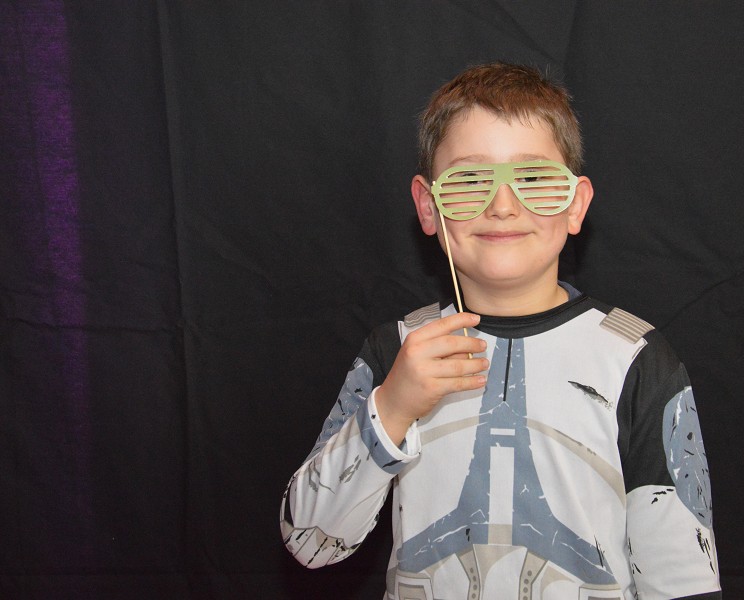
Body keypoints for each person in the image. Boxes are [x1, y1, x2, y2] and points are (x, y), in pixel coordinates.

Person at [281, 62, 721, 600]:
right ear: (428, 207)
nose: (503, 205)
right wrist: (391, 409)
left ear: (575, 205)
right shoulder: (397, 350)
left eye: (534, 179)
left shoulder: (635, 357)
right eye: (470, 181)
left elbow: (682, 575)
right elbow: (310, 542)